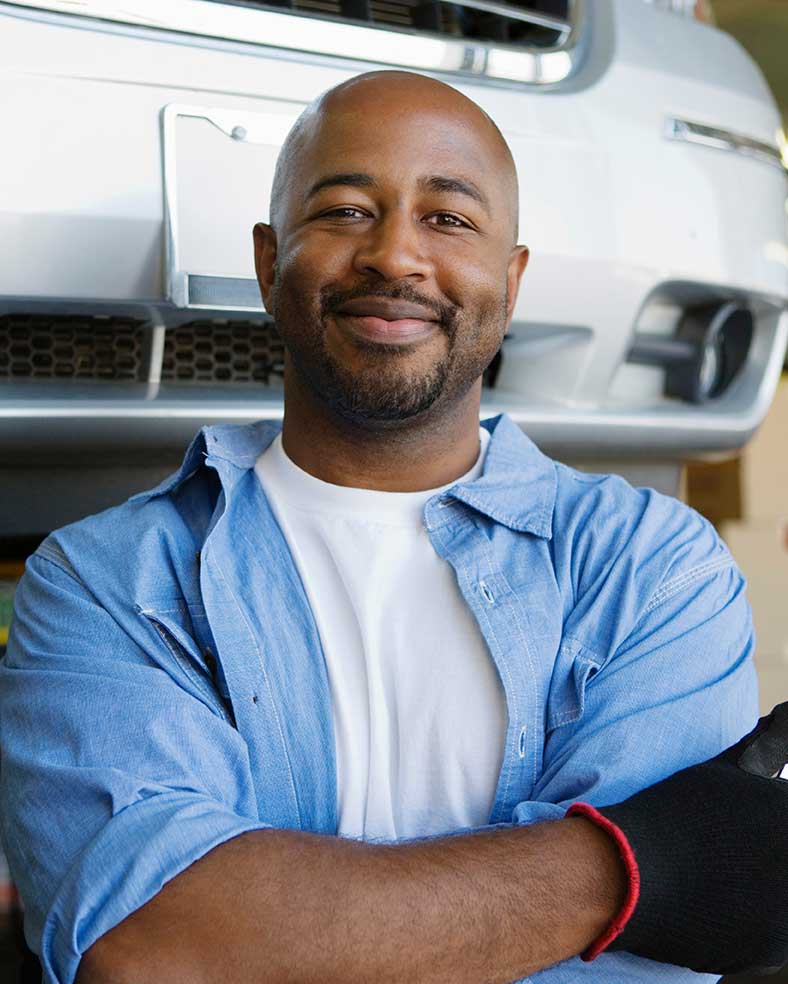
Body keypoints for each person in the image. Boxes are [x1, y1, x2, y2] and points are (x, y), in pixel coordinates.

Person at [1, 70, 787, 984]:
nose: (395, 257)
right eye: (343, 211)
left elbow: (642, 973)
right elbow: (151, 946)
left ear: (512, 277)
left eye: (449, 220)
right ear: (268, 262)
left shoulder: (653, 566)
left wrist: (269, 921)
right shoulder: (106, 579)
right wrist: (642, 866)